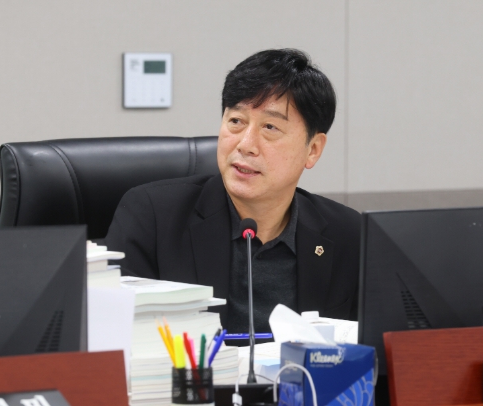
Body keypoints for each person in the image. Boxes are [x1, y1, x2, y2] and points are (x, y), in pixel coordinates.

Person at [105, 49, 360, 333]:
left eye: (270, 127)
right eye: (236, 121)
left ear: (312, 150)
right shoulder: (153, 217)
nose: (246, 144)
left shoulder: (349, 235)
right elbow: (115, 335)